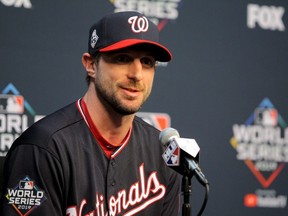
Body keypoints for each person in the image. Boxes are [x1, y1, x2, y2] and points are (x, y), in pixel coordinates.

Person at [0, 11, 181, 216]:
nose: (136, 74)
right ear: (90, 64)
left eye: (147, 62)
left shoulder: (161, 151)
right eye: (122, 58)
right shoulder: (42, 147)